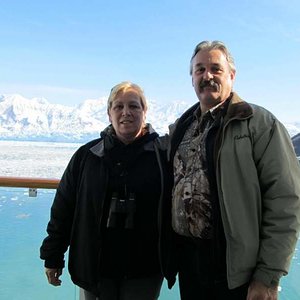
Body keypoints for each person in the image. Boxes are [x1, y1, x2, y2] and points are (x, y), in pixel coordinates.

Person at [160, 41, 300, 300]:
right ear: (192, 78)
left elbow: (285, 201)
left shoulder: (259, 124)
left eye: (216, 69)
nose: (207, 76)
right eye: (199, 70)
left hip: (236, 270)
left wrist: (268, 275)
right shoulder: (182, 128)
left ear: (232, 76)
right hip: (189, 263)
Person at [40, 81, 168, 300]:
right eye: (118, 107)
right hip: (96, 267)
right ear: (109, 114)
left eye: (134, 106)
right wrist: (53, 255)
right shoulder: (87, 156)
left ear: (144, 112)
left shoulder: (163, 155)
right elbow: (64, 206)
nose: (126, 113)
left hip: (145, 268)